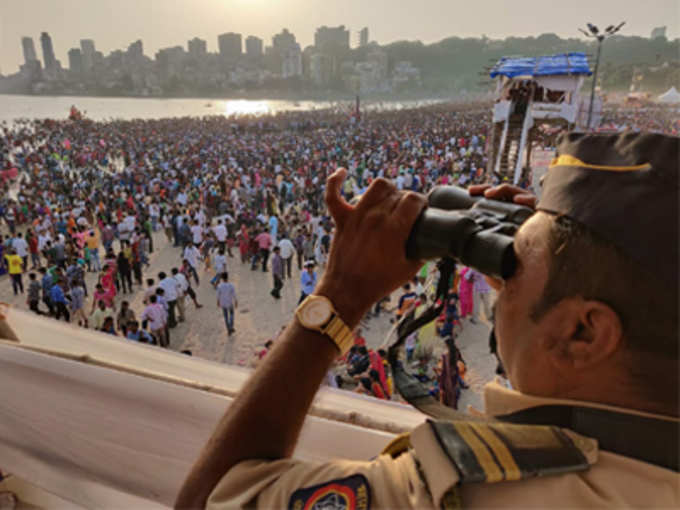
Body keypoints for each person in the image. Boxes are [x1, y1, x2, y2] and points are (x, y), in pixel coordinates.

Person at [176, 134, 680, 510]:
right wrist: (538, 282)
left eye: (514, 261)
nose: (499, 281)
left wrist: (342, 294)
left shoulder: (470, 492)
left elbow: (209, 499)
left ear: (583, 333)